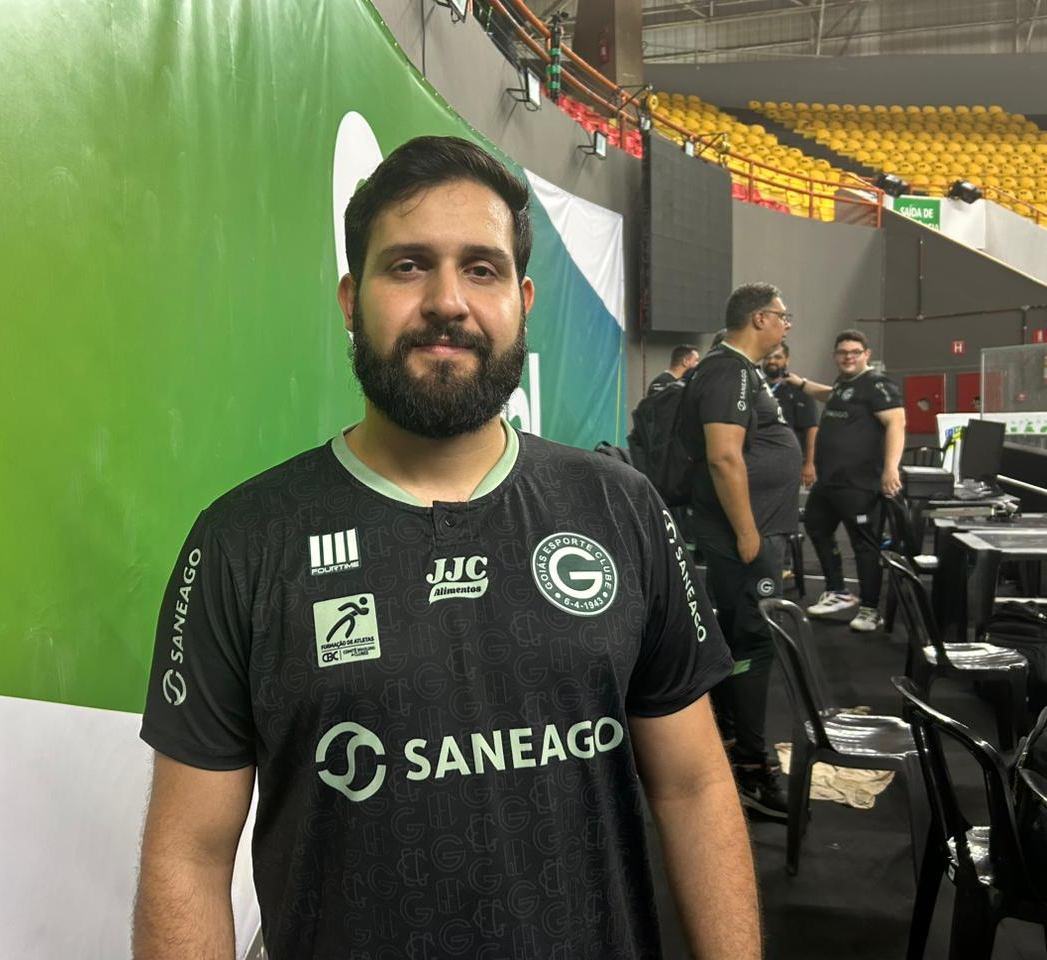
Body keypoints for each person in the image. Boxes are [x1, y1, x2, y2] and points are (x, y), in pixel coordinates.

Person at [133, 136, 761, 959]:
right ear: (350, 299)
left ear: (522, 301)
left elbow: (693, 787)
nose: (447, 302)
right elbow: (188, 856)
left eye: (482, 269)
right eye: (408, 266)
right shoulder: (243, 542)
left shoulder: (621, 507)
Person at [683, 282, 802, 821]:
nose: (786, 325)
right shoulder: (727, 370)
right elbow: (723, 457)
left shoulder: (740, 371)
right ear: (759, 318)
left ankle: (734, 745)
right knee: (754, 644)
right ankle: (753, 769)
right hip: (742, 537)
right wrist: (748, 532)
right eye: (782, 316)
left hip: (751, 532)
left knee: (743, 642)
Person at [786, 330, 905, 632]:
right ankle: (838, 591)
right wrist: (801, 383)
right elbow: (831, 395)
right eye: (842, 352)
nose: (848, 357)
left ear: (866, 354)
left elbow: (897, 422)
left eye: (854, 352)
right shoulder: (844, 383)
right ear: (835, 355)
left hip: (859, 483)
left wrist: (891, 468)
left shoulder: (877, 384)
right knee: (816, 525)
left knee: (864, 545)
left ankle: (870, 609)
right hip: (830, 481)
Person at [763, 341, 818, 488]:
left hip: (789, 461)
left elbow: (811, 428)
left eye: (777, 357)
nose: (771, 361)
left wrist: (809, 463)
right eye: (767, 357)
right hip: (760, 459)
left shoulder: (799, 389)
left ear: (787, 361)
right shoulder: (756, 387)